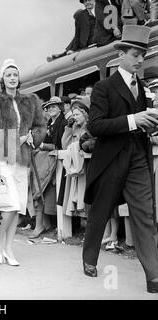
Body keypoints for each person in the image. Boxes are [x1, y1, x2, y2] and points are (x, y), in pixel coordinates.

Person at [82, 25, 158, 293]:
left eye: (143, 54)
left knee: (145, 215)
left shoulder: (144, 86)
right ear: (121, 55)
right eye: (135, 54)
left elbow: (142, 122)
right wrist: (132, 120)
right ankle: (89, 258)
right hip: (111, 159)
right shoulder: (104, 87)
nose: (140, 60)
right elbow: (96, 126)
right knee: (101, 212)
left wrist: (150, 124)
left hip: (138, 156)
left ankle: (153, 276)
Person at [0, 59, 46, 265]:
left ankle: (8, 249)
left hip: (22, 159)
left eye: (15, 75)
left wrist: (32, 137)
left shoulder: (29, 100)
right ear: (3, 78)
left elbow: (40, 126)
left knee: (17, 206)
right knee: (9, 205)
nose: (12, 78)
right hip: (2, 158)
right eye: (8, 75)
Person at [29, 97, 67, 238]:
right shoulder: (50, 123)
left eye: (54, 107)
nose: (51, 109)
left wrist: (42, 146)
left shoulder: (62, 123)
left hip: (55, 164)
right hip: (45, 163)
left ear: (60, 108)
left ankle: (48, 226)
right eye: (49, 107)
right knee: (40, 192)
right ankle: (43, 224)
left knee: (45, 192)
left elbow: (60, 146)